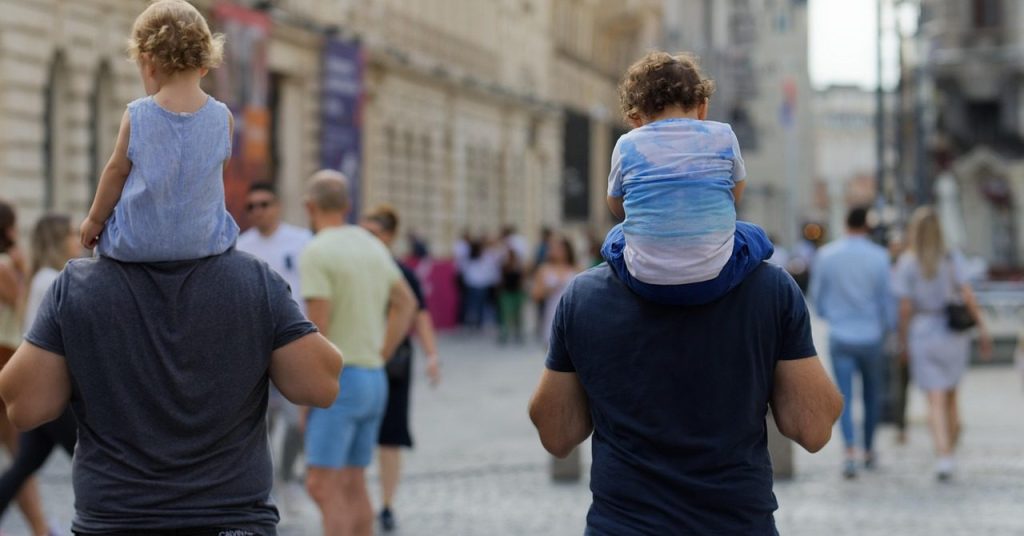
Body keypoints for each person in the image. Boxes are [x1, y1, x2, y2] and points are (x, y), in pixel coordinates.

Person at [0, 211, 342, 532]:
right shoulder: (252, 278)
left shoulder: (78, 284)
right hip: (229, 515)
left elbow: (24, 407)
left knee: (23, 465)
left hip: (119, 515)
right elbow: (321, 386)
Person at [528, 262, 843, 533]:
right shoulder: (770, 289)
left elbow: (557, 435)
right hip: (736, 525)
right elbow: (813, 428)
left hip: (623, 525)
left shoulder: (585, 296)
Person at [601, 51, 773, 306]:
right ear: (702, 106)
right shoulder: (723, 135)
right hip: (716, 277)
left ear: (636, 118)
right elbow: (735, 193)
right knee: (753, 233)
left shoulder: (627, 144)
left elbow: (616, 206)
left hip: (646, 281)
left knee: (614, 237)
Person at [299, 171, 418, 536]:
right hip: (373, 377)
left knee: (323, 485)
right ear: (348, 206)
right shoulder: (372, 245)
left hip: (340, 381)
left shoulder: (317, 250)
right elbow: (407, 303)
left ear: (310, 207)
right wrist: (381, 351)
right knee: (353, 484)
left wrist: (306, 400)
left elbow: (317, 330)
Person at [78, 0, 238, 262]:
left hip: (136, 244)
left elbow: (117, 171)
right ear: (205, 65)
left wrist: (94, 220)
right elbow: (217, 171)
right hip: (204, 244)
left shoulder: (137, 114)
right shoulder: (223, 118)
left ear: (148, 62)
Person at [893, 206, 992, 481]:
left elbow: (904, 308)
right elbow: (969, 296)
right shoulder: (952, 258)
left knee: (934, 398)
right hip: (953, 332)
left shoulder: (908, 262)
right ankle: (951, 442)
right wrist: (983, 329)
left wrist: (902, 341)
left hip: (923, 331)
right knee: (951, 395)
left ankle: (944, 454)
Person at [360, 205, 441, 533]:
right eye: (363, 232)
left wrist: (432, 356)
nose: (367, 239)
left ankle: (387, 504)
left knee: (390, 436)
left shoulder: (400, 272)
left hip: (393, 362)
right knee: (358, 432)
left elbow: (419, 315)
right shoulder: (352, 269)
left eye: (374, 233)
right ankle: (359, 499)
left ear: (390, 236)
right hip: (356, 356)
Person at [0, 215, 80, 523]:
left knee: (23, 466)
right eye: (72, 234)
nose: (78, 240)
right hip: (53, 392)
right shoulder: (52, 280)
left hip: (42, 389)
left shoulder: (41, 278)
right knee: (93, 459)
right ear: (58, 241)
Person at [236, 182, 313, 501]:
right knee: (259, 422)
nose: (258, 211)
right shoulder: (240, 245)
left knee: (297, 419)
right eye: (251, 206)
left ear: (277, 206)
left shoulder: (303, 242)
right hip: (254, 348)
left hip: (295, 344)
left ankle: (287, 473)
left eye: (264, 204)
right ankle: (264, 485)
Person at [809, 207, 894, 478]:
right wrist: (888, 329)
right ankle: (869, 449)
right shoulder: (880, 257)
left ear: (845, 222)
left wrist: (830, 315)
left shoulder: (826, 255)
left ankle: (849, 452)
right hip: (871, 335)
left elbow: (816, 298)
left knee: (842, 396)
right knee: (871, 395)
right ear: (867, 226)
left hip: (841, 334)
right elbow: (886, 301)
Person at [0, 200, 53, 536]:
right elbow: (19, 308)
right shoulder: (4, 264)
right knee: (21, 456)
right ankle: (41, 529)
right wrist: (20, 269)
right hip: (4, 358)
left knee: (21, 457)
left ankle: (41, 528)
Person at [530, 235, 577, 347]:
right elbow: (535, 295)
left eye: (559, 248)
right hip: (551, 315)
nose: (555, 251)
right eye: (552, 248)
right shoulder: (544, 269)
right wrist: (550, 289)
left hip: (573, 317)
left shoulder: (576, 268)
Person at [498, 248, 526, 345]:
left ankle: (518, 334)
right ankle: (504, 334)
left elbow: (522, 281)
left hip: (516, 293)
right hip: (507, 293)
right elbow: (501, 280)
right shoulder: (504, 267)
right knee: (506, 315)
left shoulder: (518, 267)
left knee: (518, 315)